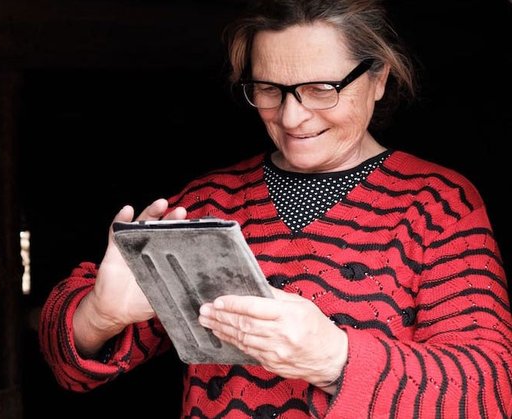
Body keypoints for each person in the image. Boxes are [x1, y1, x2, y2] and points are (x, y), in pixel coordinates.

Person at [37, 0, 512, 417]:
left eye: (321, 88)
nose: (291, 116)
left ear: (378, 79)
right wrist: (99, 315)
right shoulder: (209, 202)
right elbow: (67, 369)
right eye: (268, 89)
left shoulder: (438, 203)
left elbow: (489, 392)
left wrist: (334, 358)